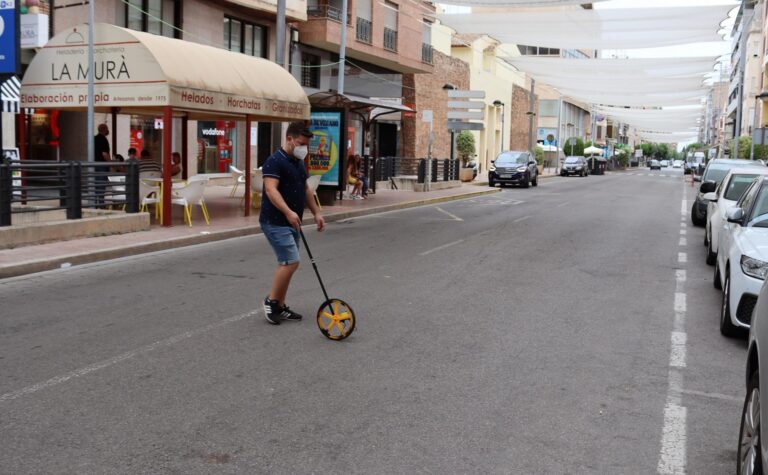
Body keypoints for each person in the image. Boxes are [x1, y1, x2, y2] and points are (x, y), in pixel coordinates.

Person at [260, 122, 325, 325]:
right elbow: (271, 190)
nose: (303, 148)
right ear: (289, 139)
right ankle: (271, 302)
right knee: (290, 261)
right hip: (276, 221)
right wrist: (288, 212)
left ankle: (280, 304)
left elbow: (305, 188)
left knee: (289, 262)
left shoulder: (297, 161)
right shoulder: (274, 161)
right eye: (300, 143)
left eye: (306, 144)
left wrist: (317, 212)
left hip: (292, 220)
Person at [94, 124, 112, 206]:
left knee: (96, 184)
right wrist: (110, 162)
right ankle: (101, 203)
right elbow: (105, 153)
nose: (108, 130)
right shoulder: (103, 139)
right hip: (102, 165)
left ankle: (95, 202)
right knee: (101, 184)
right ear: (104, 130)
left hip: (94, 165)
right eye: (107, 129)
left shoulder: (94, 138)